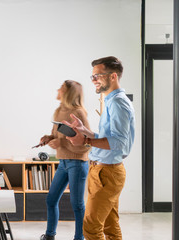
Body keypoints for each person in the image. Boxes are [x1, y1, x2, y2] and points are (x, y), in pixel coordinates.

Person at [65, 56, 135, 240]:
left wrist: (86, 141)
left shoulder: (119, 103)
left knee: (91, 227)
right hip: (100, 170)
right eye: (92, 76)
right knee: (110, 226)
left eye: (98, 76)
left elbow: (118, 143)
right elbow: (108, 138)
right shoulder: (111, 101)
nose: (93, 80)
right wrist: (86, 131)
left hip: (108, 173)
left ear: (113, 76)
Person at [39, 80, 90, 240]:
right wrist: (49, 138)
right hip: (63, 163)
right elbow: (58, 134)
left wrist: (61, 143)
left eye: (61, 88)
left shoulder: (79, 112)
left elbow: (87, 143)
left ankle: (79, 238)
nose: (58, 90)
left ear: (68, 93)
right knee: (51, 199)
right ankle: (49, 235)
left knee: (77, 205)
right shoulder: (59, 110)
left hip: (77, 163)